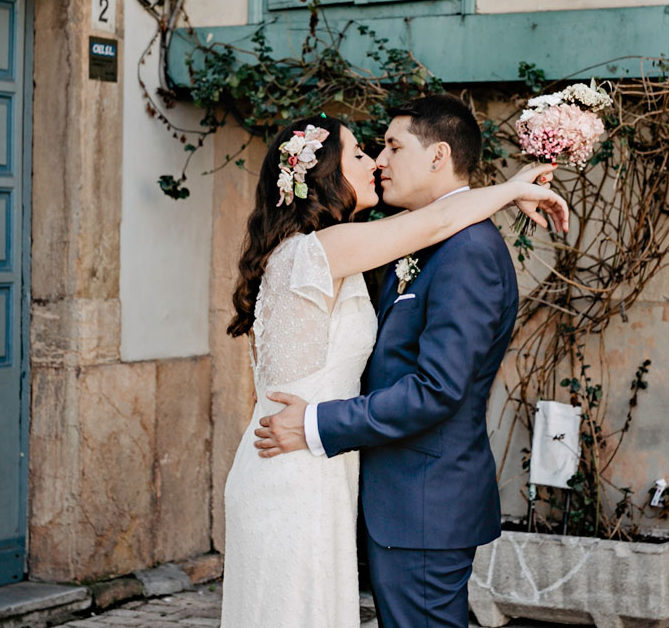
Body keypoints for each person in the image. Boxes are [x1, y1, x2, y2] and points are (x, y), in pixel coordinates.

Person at [220, 107, 565, 628]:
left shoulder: (430, 247)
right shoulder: (328, 249)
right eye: (361, 152)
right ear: (326, 176)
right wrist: (513, 188)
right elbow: (440, 217)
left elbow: (437, 385)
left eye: (386, 148)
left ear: (438, 156)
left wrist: (509, 188)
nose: (377, 161)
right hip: (297, 465)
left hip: (335, 465)